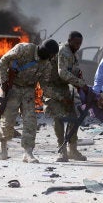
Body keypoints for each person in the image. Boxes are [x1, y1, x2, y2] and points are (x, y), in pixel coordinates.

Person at [0, 38, 59, 163]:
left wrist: (53, 98)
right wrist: (4, 82)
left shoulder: (46, 64)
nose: (51, 58)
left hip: (28, 91)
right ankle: (3, 142)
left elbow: (44, 85)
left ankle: (28, 152)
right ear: (44, 51)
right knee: (8, 120)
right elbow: (4, 61)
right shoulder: (23, 49)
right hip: (12, 86)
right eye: (50, 55)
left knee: (30, 121)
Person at [42, 31, 88, 162]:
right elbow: (62, 72)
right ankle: (62, 151)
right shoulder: (64, 51)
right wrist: (81, 84)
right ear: (69, 40)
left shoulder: (73, 53)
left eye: (80, 43)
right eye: (76, 43)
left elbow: (76, 72)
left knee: (73, 118)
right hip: (52, 87)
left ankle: (72, 150)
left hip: (64, 88)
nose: (78, 46)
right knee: (59, 118)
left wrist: (81, 84)